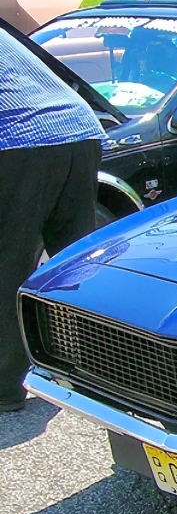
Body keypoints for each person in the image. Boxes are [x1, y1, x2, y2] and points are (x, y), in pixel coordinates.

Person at [0, 27, 104, 413]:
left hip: (17, 138)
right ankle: (95, 373)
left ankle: (5, 386)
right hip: (78, 126)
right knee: (73, 264)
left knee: (7, 262)